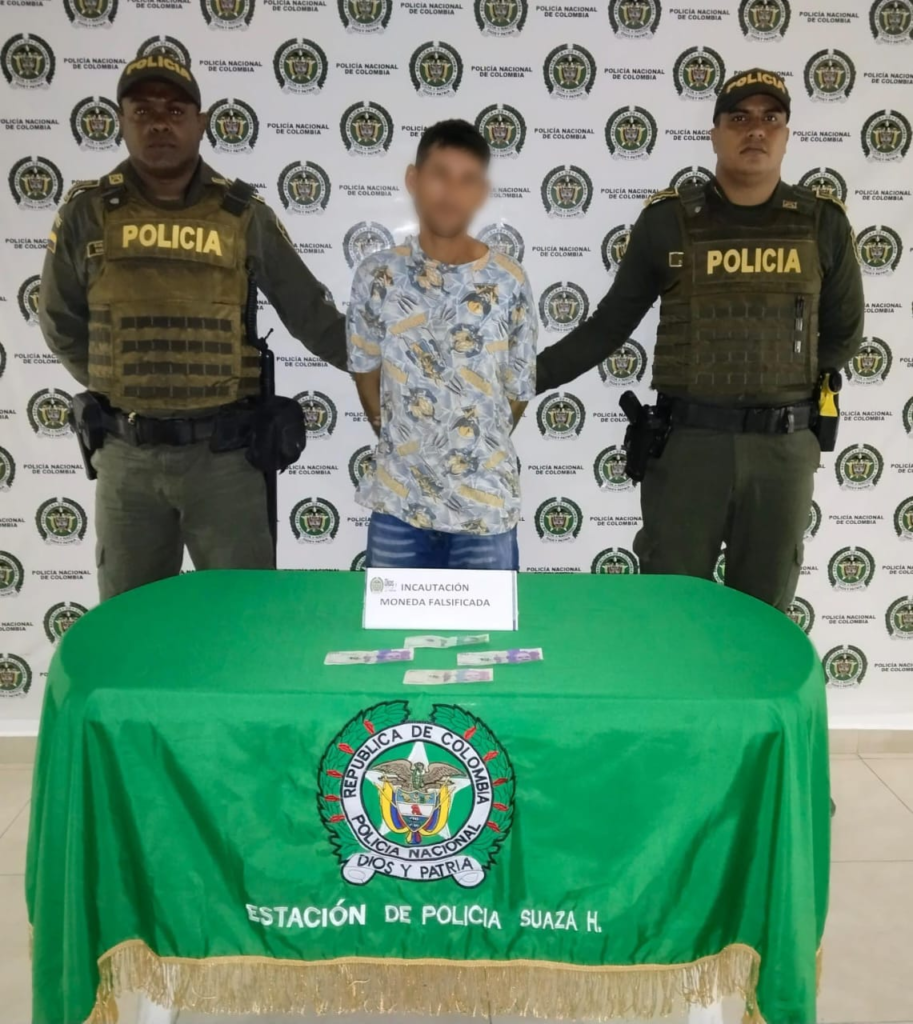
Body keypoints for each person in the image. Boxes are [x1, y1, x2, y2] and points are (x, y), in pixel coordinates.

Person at [536, 68, 864, 612]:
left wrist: (779, 389)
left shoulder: (822, 223)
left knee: (763, 618)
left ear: (786, 135)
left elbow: (844, 335)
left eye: (770, 119)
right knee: (672, 614)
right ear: (714, 134)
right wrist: (522, 381)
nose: (755, 130)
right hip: (689, 448)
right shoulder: (667, 222)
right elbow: (609, 326)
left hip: (782, 452)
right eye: (739, 118)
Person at [39, 53, 348, 601]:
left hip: (224, 462)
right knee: (131, 624)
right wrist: (128, 388)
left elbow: (311, 316)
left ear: (201, 123)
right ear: (121, 120)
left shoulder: (243, 215)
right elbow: (61, 323)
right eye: (143, 110)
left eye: (176, 111)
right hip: (127, 462)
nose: (160, 123)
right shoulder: (88, 213)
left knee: (242, 619)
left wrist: (393, 371)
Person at [347, 120, 536, 570]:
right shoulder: (378, 275)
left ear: (481, 192)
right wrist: (402, 437)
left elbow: (518, 389)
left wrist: (472, 447)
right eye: (440, 175)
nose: (451, 193)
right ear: (413, 179)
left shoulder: (508, 281)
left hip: (484, 509)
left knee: (487, 622)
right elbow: (364, 367)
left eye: (467, 180)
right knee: (392, 621)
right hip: (399, 505)